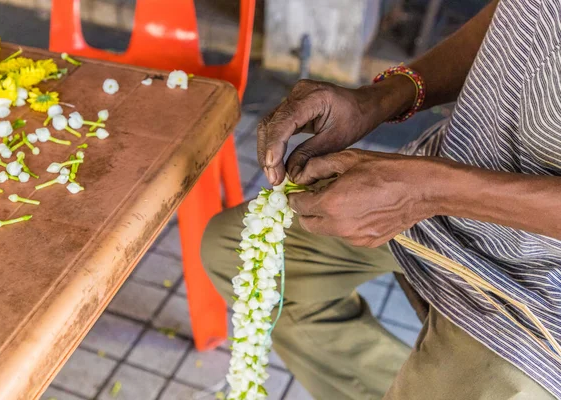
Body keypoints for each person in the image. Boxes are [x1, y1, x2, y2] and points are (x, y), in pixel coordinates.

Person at [202, 0, 561, 398]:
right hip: (450, 182)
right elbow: (524, 17)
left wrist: (427, 190)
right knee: (231, 249)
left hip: (545, 287)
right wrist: (382, 98)